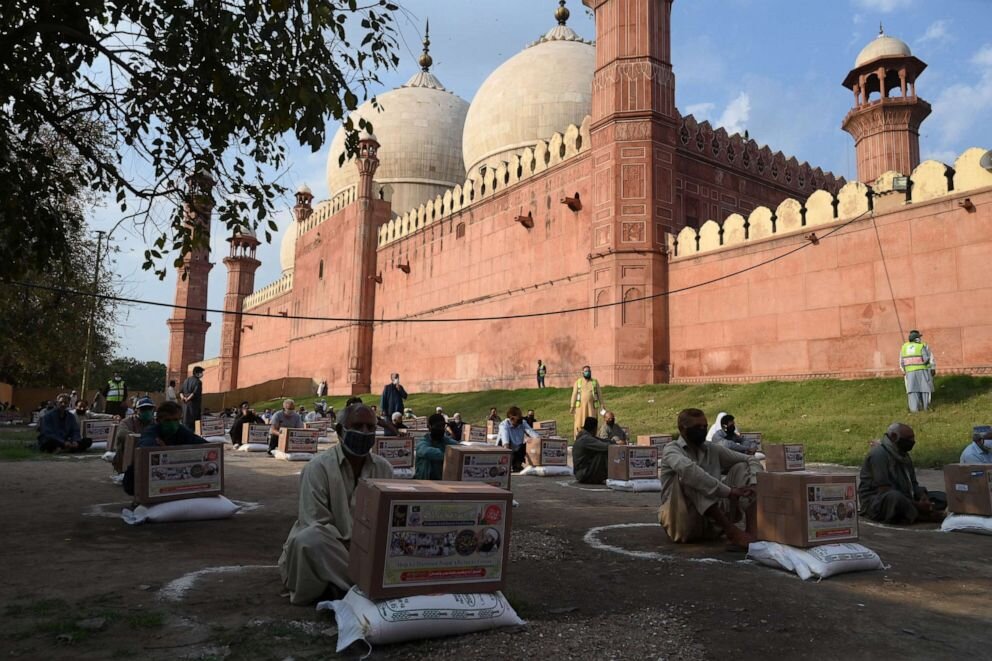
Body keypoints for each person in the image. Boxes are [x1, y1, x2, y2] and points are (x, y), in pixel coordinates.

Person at [279, 404, 393, 605]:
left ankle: (346, 585)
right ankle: (369, 586)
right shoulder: (318, 468)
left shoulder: (383, 469)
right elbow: (315, 522)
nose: (364, 432)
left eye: (370, 427)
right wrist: (358, 553)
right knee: (309, 540)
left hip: (367, 553)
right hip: (333, 548)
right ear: (340, 430)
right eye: (358, 426)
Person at [658, 408, 762, 548]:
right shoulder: (672, 450)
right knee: (690, 477)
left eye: (704, 427)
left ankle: (752, 533)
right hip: (683, 520)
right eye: (697, 427)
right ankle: (732, 532)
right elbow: (689, 471)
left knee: (743, 467)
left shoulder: (712, 449)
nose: (702, 430)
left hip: (713, 523)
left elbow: (751, 459)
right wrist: (729, 491)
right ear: (683, 429)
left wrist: (754, 485)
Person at [859, 423, 947, 524]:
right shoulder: (879, 455)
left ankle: (919, 511)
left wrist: (923, 497)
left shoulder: (904, 455)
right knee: (895, 498)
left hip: (907, 496)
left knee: (942, 498)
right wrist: (917, 505)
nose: (912, 442)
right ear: (894, 437)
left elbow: (913, 484)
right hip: (877, 501)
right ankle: (922, 515)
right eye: (908, 438)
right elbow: (883, 489)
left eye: (912, 438)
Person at [123, 401, 207, 495]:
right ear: (158, 421)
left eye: (176, 420)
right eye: (167, 420)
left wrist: (167, 450)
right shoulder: (151, 432)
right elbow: (147, 448)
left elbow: (204, 444)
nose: (172, 424)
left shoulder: (181, 430)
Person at [113, 396, 158, 471]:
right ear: (136, 410)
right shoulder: (127, 422)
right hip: (128, 457)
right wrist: (143, 439)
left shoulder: (155, 422)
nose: (147, 411)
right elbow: (122, 434)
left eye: (149, 409)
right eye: (143, 409)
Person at [573, 416, 622, 484]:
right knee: (603, 452)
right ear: (594, 428)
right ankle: (613, 475)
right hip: (583, 473)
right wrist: (617, 444)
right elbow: (605, 446)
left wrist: (613, 442)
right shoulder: (586, 439)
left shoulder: (585, 436)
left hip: (582, 472)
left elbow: (601, 440)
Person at [414, 414, 460, 480]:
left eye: (443, 426)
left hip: (442, 482)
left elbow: (459, 448)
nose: (441, 429)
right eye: (438, 426)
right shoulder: (423, 442)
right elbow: (425, 452)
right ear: (429, 427)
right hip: (425, 482)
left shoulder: (447, 441)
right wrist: (449, 456)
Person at [900, 330, 935, 412]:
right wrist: (930, 367)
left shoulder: (904, 347)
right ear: (916, 339)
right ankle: (926, 407)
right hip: (921, 370)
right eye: (919, 337)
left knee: (912, 390)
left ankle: (914, 409)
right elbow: (926, 359)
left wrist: (904, 370)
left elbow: (901, 361)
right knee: (925, 389)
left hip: (909, 372)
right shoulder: (921, 346)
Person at [497, 406, 541, 472]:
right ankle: (504, 464)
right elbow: (505, 442)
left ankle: (517, 464)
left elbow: (532, 432)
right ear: (511, 418)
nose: (520, 421)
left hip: (517, 448)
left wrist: (539, 440)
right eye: (518, 419)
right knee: (503, 442)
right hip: (506, 448)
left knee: (530, 442)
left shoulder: (522, 423)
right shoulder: (503, 425)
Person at [569, 365, 604, 438]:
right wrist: (572, 406)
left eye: (589, 371)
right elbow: (574, 394)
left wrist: (602, 405)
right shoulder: (578, 382)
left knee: (591, 423)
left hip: (592, 408)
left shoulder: (594, 382)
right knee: (579, 423)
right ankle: (578, 438)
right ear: (582, 372)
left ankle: (592, 438)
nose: (588, 372)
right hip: (580, 408)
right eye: (586, 371)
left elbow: (599, 394)